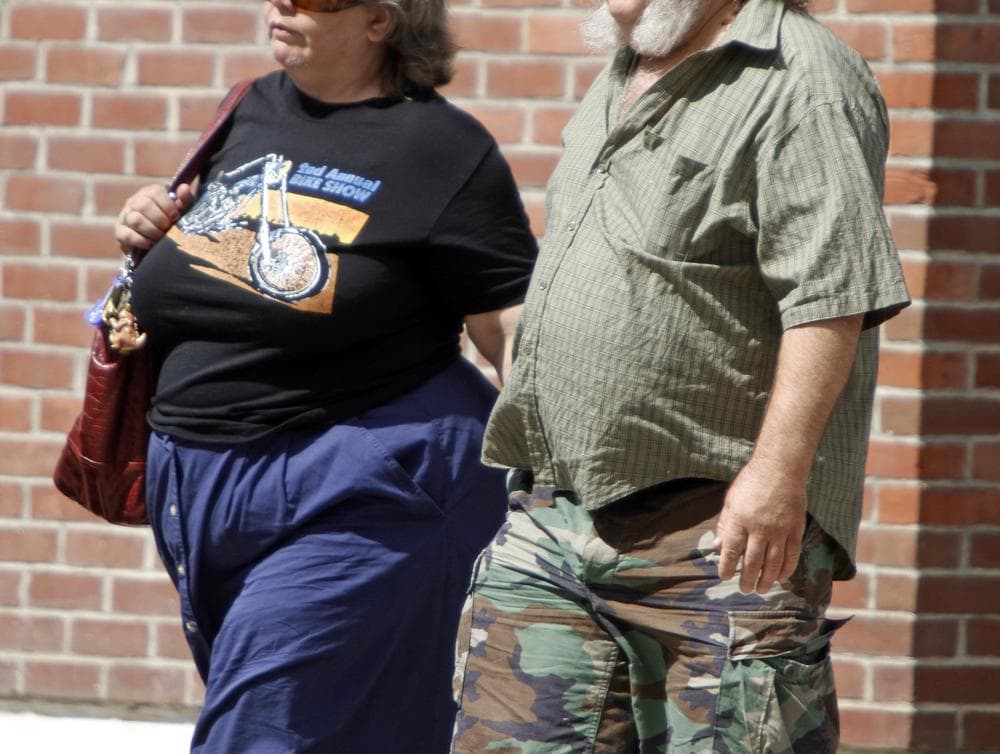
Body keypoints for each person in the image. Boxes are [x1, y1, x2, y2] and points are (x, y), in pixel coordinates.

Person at [450, 0, 911, 752]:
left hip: (719, 532)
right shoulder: (632, 60)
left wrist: (777, 474)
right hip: (555, 518)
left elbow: (833, 298)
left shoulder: (801, 75)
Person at [112, 0, 537, 751]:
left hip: (362, 487)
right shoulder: (249, 107)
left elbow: (510, 332)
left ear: (382, 20)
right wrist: (155, 224)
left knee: (262, 733)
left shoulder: (442, 148)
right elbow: (227, 250)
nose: (282, 4)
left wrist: (569, 478)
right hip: (202, 490)